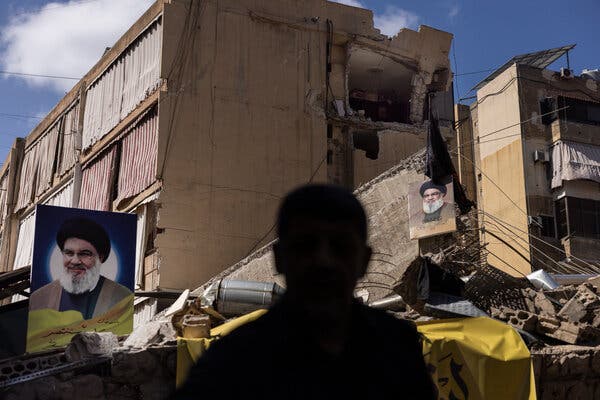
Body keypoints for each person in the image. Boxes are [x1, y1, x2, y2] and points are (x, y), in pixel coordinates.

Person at [175, 184, 436, 399]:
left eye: (340, 246)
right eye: (306, 245)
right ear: (279, 258)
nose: (323, 260)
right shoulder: (233, 363)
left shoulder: (397, 346)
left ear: (364, 260)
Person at [29, 217, 132, 320]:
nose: (75, 261)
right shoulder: (39, 299)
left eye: (84, 254)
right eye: (69, 253)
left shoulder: (122, 298)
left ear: (100, 257)